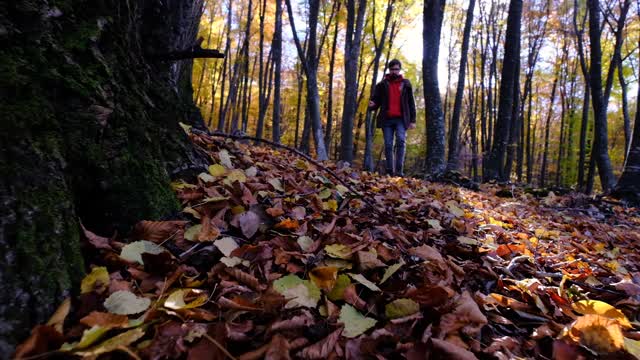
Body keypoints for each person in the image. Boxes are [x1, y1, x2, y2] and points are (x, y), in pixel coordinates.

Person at [368, 59, 417, 177]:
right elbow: (376, 100)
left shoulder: (406, 84)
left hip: (401, 119)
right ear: (389, 70)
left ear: (399, 70)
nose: (395, 71)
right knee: (388, 144)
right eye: (393, 69)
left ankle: (399, 171)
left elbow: (411, 102)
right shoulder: (382, 84)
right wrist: (373, 105)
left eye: (397, 69)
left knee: (401, 140)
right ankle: (390, 170)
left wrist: (413, 120)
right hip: (387, 119)